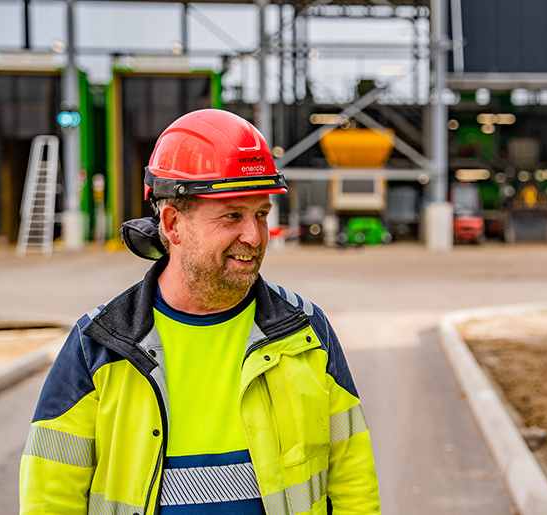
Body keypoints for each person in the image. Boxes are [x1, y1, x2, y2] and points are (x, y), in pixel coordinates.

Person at [19, 109, 381, 515]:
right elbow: (49, 498)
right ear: (173, 224)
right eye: (232, 216)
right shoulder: (99, 345)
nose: (254, 236)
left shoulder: (307, 332)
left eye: (261, 214)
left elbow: (352, 482)